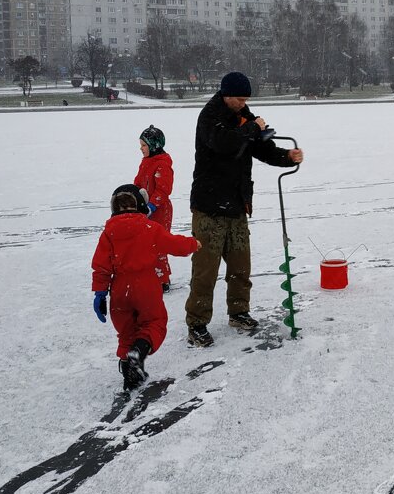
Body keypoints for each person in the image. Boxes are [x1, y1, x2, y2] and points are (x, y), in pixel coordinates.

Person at [184, 71, 304, 347]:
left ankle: (238, 311)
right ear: (226, 95)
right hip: (209, 207)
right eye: (239, 99)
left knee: (240, 265)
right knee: (206, 270)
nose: (243, 103)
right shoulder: (209, 116)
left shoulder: (244, 115)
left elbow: (261, 148)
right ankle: (197, 323)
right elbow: (224, 144)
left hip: (237, 204)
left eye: (246, 99)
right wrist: (252, 128)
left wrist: (286, 156)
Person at [91, 184, 201, 390]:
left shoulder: (109, 233)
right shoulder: (149, 228)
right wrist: (193, 244)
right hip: (146, 286)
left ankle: (129, 375)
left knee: (126, 332)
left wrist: (100, 293)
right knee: (154, 322)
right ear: (141, 205)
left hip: (119, 290)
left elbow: (101, 266)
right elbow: (174, 244)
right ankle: (138, 352)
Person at [134, 125, 176, 292]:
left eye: (144, 145)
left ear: (153, 145)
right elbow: (138, 182)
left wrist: (151, 205)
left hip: (160, 210)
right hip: (145, 209)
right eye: (141, 145)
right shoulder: (146, 162)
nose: (141, 148)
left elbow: (163, 190)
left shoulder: (162, 164)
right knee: (145, 244)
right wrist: (134, 197)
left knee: (158, 244)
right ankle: (151, 274)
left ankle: (162, 279)